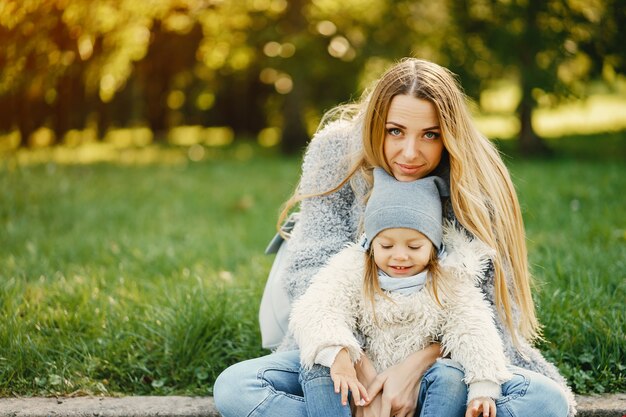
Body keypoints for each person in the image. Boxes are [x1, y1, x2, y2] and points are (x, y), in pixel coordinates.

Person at [213, 58, 575, 417]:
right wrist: (354, 364)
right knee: (236, 388)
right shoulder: (337, 151)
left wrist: (417, 366)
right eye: (395, 131)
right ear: (375, 125)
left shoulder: (475, 174)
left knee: (545, 402)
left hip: (447, 368)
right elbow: (310, 268)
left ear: (448, 135)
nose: (410, 152)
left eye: (430, 134)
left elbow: (488, 310)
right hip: (338, 362)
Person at [291, 167, 513, 417]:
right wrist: (338, 355)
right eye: (386, 245)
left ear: (434, 247)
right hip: (357, 385)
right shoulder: (354, 270)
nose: (400, 256)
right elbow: (316, 308)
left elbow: (475, 329)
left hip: (419, 392)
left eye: (414, 246)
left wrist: (483, 389)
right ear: (370, 244)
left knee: (452, 377)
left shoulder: (449, 281)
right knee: (316, 366)